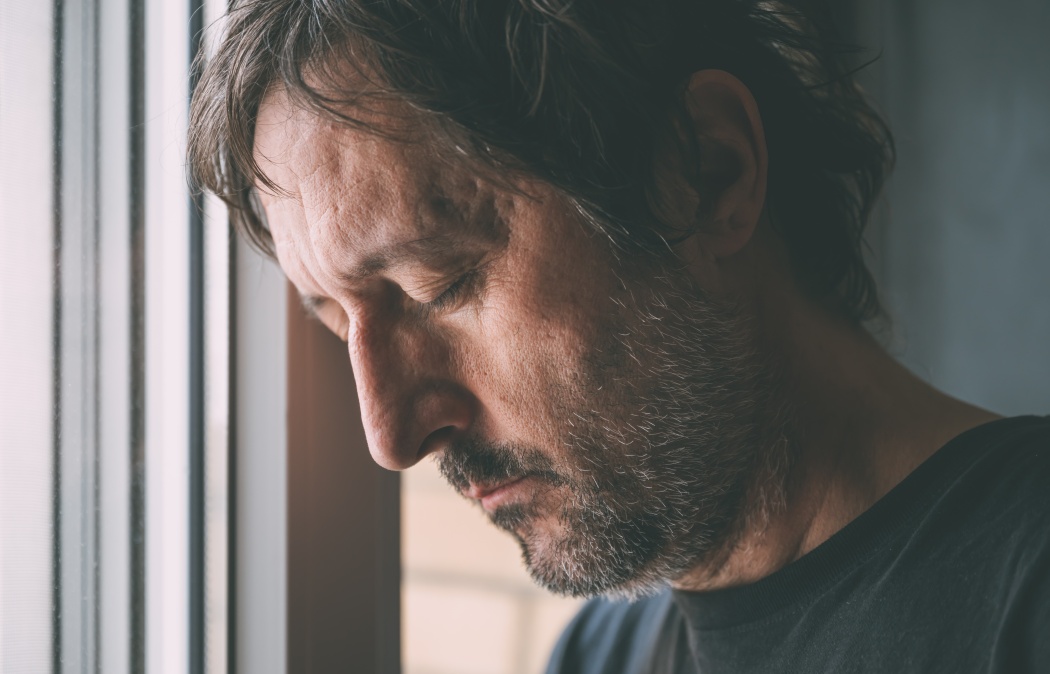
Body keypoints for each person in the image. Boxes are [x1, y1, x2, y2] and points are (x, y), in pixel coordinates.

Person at [188, 1, 1050, 671]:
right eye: (338, 321)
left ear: (706, 173)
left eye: (437, 283)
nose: (390, 435)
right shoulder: (597, 657)